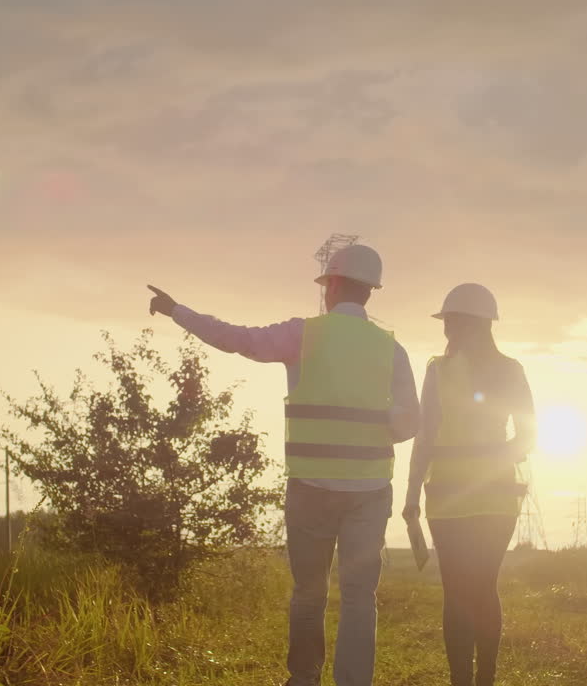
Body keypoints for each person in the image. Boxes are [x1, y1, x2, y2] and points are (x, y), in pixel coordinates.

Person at [147, 243, 419, 686]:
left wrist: (178, 311)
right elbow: (410, 423)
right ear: (370, 291)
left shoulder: (302, 334)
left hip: (310, 488)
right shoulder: (393, 350)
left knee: (309, 594)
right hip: (368, 492)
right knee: (358, 598)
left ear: (329, 285)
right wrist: (376, 421)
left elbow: (235, 338)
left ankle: (304, 679)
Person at [402, 283, 535, 686]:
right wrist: (494, 461)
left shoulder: (438, 371)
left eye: (450, 322)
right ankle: (484, 681)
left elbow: (425, 437)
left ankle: (464, 681)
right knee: (483, 587)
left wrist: (411, 496)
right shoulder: (510, 370)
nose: (446, 331)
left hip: (447, 495)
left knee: (458, 590)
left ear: (462, 324)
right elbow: (528, 438)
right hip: (494, 497)